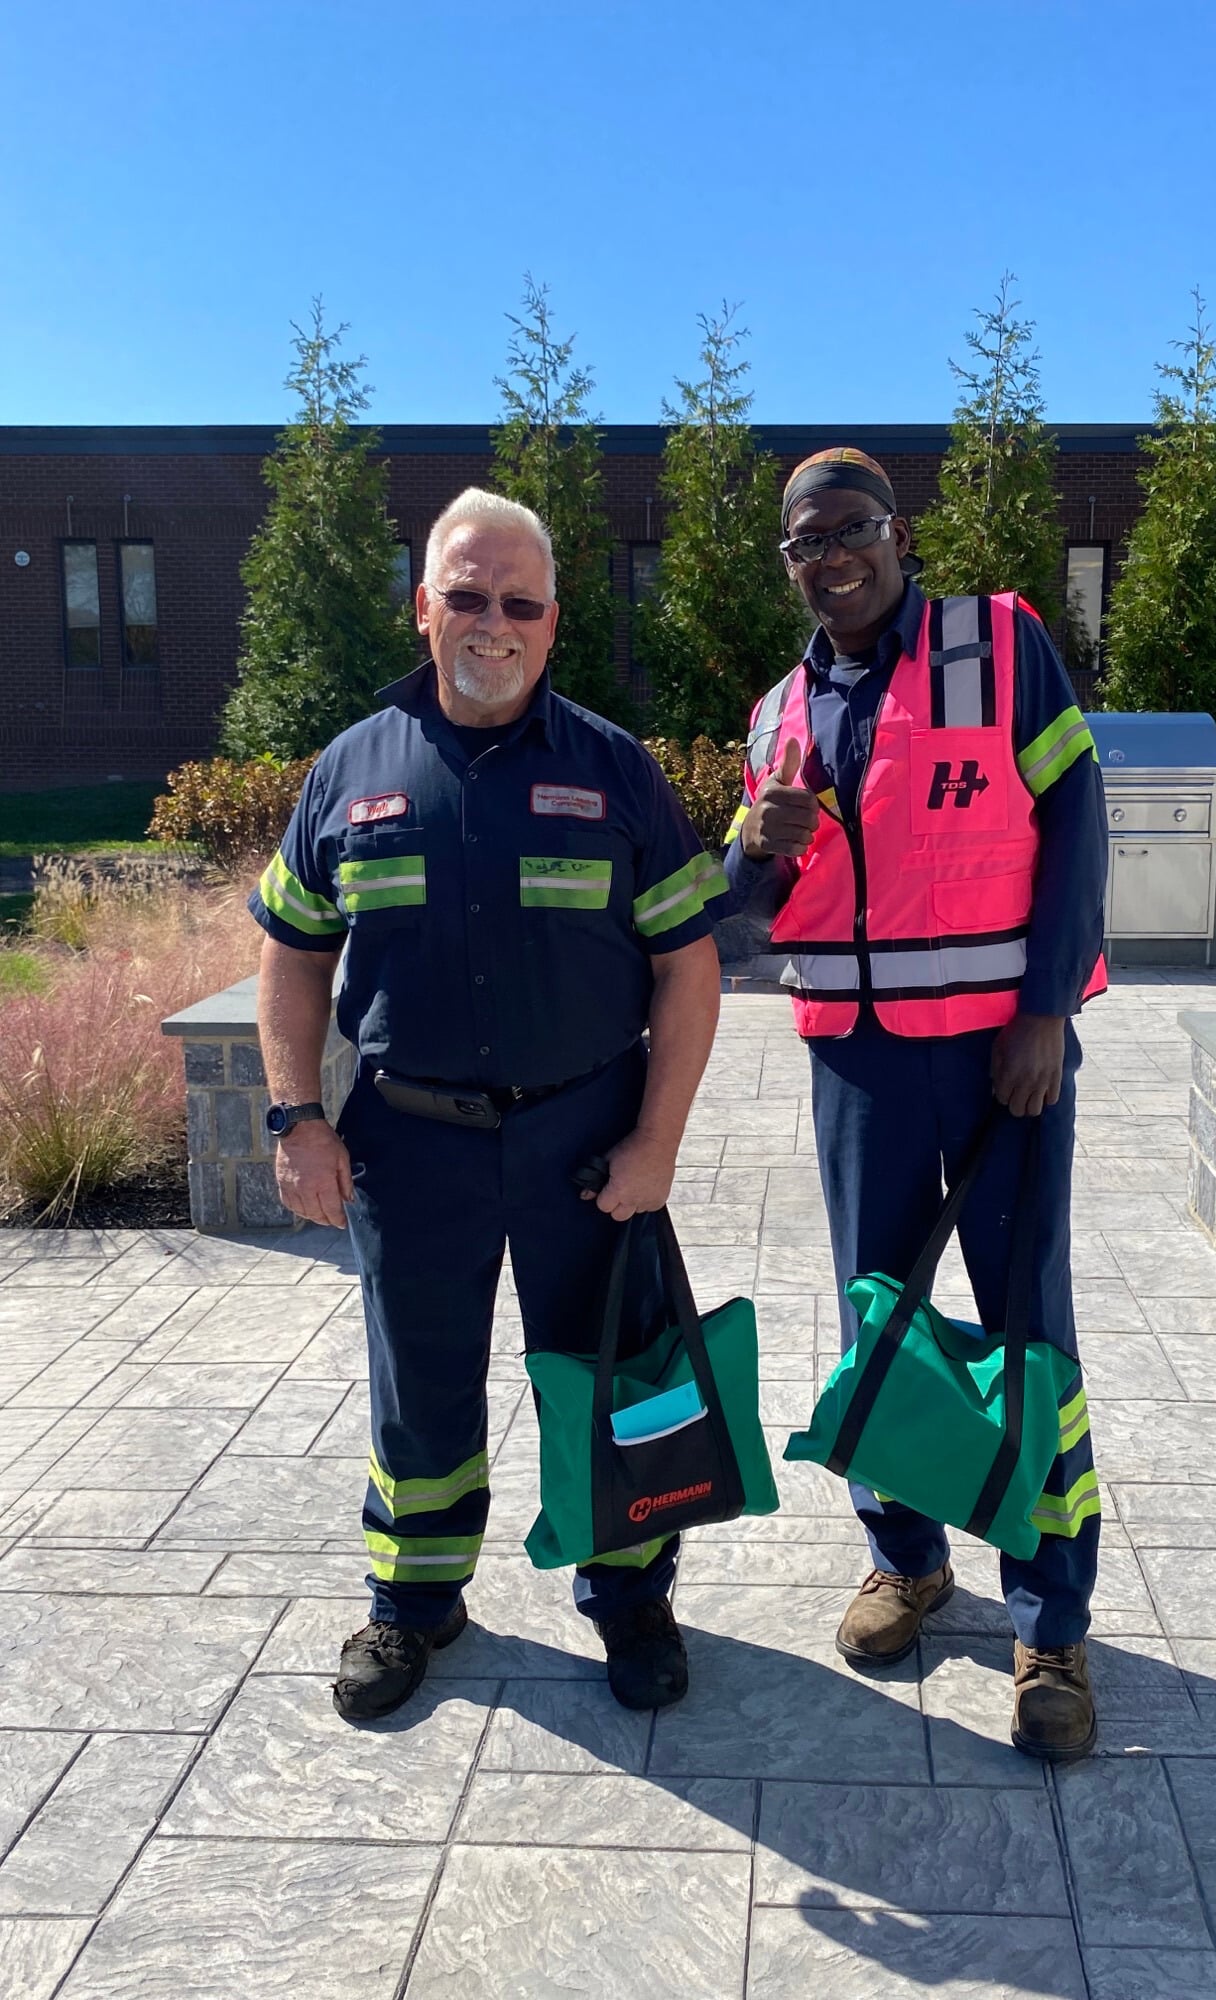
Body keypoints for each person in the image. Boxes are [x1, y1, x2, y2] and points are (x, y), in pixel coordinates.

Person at [249, 487, 726, 1721]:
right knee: (421, 1377)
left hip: (584, 1135)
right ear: (425, 607)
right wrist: (295, 1117)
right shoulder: (348, 771)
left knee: (611, 1370)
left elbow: (689, 965)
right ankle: (415, 1599)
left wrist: (657, 1142)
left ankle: (629, 1596)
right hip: (408, 1141)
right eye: (467, 594)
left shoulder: (617, 769)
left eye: (520, 602)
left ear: (554, 623)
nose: (492, 622)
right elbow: (292, 955)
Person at [724, 447, 1109, 1761]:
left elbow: (1078, 816)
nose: (831, 555)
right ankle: (907, 1559)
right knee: (875, 1320)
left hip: (1005, 1058)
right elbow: (756, 912)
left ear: (896, 534)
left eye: (852, 528)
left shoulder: (999, 646)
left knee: (1024, 1331)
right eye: (805, 542)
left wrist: (1045, 1010)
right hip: (860, 1065)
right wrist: (748, 852)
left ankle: (1050, 1621)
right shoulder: (782, 711)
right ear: (789, 564)